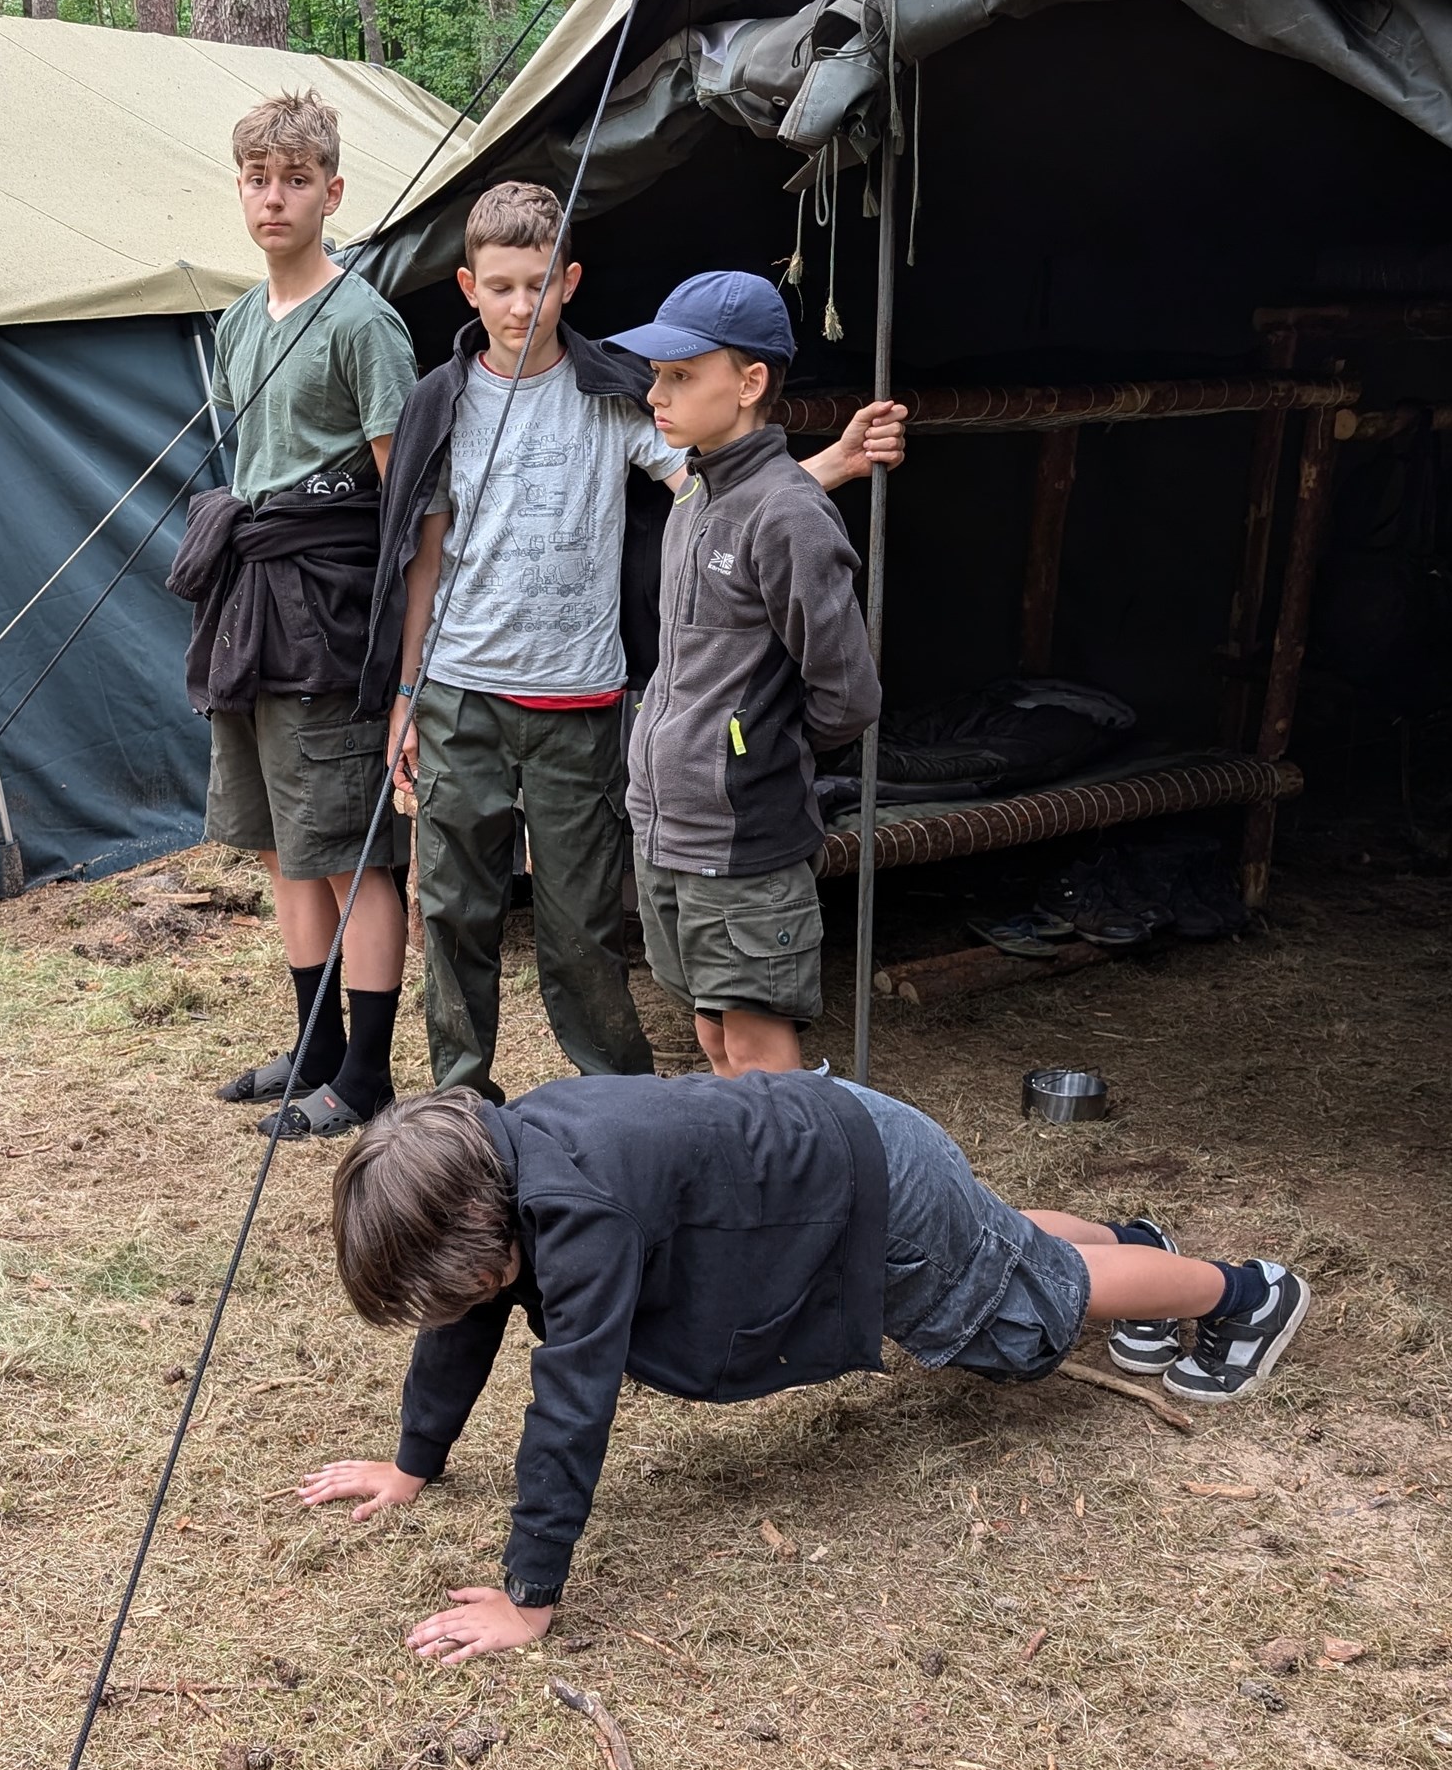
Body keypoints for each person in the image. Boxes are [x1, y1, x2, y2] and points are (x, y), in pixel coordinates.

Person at [296, 1076, 1309, 1662]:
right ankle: (1139, 1247)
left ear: (479, 1230)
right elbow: (466, 1320)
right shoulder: (500, 1161)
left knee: (1020, 1305)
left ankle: (1242, 1295)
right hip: (845, 1137)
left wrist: (530, 1596)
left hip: (872, 1188)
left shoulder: (578, 1216)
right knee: (998, 1249)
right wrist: (414, 1460)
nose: (462, 1308)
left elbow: (573, 1404)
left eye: (460, 1286)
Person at [369, 185, 903, 1103]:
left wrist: (833, 466)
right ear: (466, 287)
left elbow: (723, 497)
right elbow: (422, 558)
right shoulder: (440, 401)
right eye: (500, 286)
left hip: (579, 699)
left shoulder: (615, 391)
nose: (520, 305)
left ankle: (618, 1102)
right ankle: (460, 1104)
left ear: (571, 282)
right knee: (454, 913)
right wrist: (406, 693)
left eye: (539, 283)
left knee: (583, 925)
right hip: (459, 691)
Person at [168, 91, 421, 1139]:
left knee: (348, 850)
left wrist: (405, 665)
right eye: (258, 179)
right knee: (281, 843)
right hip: (254, 604)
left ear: (333, 192)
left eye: (296, 180)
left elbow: (409, 508)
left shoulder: (363, 324)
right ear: (240, 190)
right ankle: (313, 1049)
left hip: (332, 615)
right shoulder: (236, 323)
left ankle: (365, 1075)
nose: (274, 198)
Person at [609, 272, 881, 1077]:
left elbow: (848, 693)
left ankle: (797, 1165)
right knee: (712, 1034)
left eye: (681, 375)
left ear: (751, 382)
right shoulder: (693, 497)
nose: (656, 395)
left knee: (759, 1049)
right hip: (665, 829)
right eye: (656, 374)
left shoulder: (790, 513)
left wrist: (755, 751)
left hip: (745, 842)